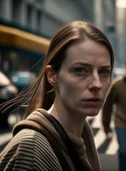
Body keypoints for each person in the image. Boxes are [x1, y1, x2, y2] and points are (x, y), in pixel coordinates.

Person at [0, 21, 114, 171]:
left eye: (103, 72)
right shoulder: (31, 149)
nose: (97, 84)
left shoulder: (82, 140)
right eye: (80, 70)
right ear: (52, 76)